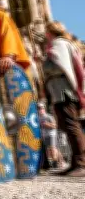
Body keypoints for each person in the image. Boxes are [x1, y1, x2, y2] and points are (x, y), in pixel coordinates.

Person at [41, 21, 85, 177]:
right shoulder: (64, 43)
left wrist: (44, 65)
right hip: (61, 90)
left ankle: (81, 163)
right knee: (68, 125)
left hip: (63, 90)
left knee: (71, 125)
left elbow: (59, 66)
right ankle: (75, 163)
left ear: (49, 32)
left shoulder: (58, 44)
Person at [38, 102, 62, 170]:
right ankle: (57, 162)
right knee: (49, 149)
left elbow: (55, 126)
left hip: (51, 134)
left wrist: (47, 124)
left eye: (41, 108)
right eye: (38, 108)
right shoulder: (38, 118)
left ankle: (55, 163)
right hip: (44, 135)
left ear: (44, 109)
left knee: (53, 148)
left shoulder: (49, 116)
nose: (40, 110)